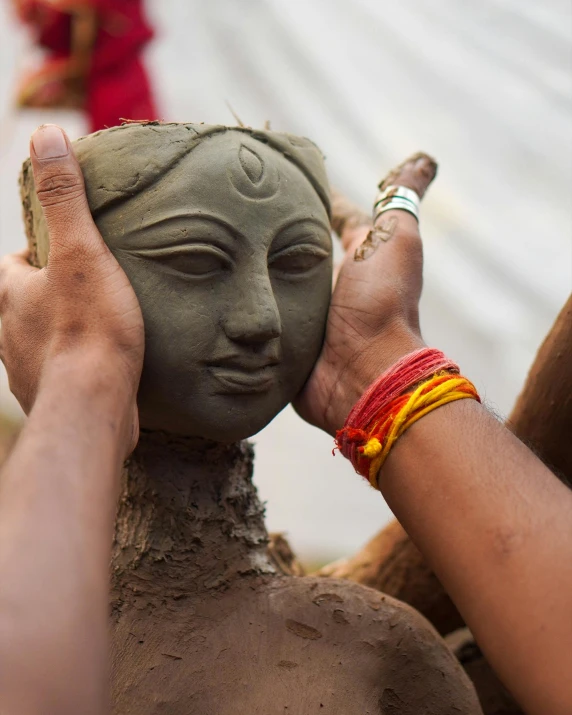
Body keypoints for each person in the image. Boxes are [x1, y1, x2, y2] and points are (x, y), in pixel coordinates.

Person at [0, 124, 570, 715]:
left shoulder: (373, 655)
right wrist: (86, 372)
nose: (261, 318)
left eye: (298, 262)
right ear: (52, 290)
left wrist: (78, 381)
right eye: (195, 259)